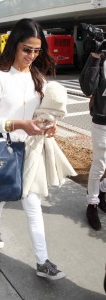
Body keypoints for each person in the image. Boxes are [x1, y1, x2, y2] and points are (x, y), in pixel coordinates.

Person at [0, 18, 73, 280]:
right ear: (14, 46)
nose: (31, 56)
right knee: (0, 195)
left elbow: (39, 116)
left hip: (30, 151)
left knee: (33, 205)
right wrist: (18, 124)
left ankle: (42, 262)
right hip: (1, 149)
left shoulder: (36, 78)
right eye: (26, 49)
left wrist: (47, 128)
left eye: (36, 50)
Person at [79, 51, 106, 230]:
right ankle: (92, 204)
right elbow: (88, 88)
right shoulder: (100, 56)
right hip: (103, 122)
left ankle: (102, 192)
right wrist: (95, 56)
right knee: (100, 165)